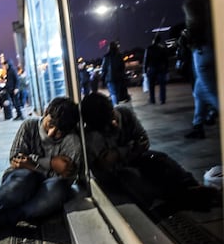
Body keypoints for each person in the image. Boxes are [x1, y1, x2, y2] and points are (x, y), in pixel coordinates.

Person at [0, 97, 82, 243]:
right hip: (22, 182)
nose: (51, 133)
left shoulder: (72, 142)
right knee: (24, 178)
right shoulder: (29, 126)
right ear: (45, 113)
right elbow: (16, 159)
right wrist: (50, 163)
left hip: (46, 190)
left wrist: (33, 164)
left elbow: (67, 179)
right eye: (50, 124)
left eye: (59, 131)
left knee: (58, 189)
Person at [81, 92, 221, 216]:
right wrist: (131, 148)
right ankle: (177, 199)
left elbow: (143, 141)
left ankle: (192, 186)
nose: (114, 124)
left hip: (134, 159)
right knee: (132, 178)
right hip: (114, 173)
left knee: (159, 159)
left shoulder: (124, 114)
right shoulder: (92, 135)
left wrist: (122, 152)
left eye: (113, 117)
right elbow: (107, 162)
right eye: (107, 124)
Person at [183, 0, 218, 139]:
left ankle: (211, 114)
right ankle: (198, 126)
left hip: (202, 49)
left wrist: (186, 37)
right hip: (213, 47)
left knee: (211, 93)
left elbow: (194, 23)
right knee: (199, 91)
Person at [143, 34, 169, 104]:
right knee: (162, 85)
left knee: (151, 86)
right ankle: (162, 99)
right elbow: (166, 60)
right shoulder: (162, 49)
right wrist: (166, 69)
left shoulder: (149, 48)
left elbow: (146, 60)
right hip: (161, 68)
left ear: (153, 40)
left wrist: (144, 70)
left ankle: (152, 99)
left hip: (151, 68)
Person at [101, 41, 126, 106]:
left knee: (113, 93)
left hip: (110, 78)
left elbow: (104, 69)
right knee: (117, 92)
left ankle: (115, 106)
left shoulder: (106, 57)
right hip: (118, 77)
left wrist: (102, 78)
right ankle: (116, 104)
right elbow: (123, 67)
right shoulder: (119, 55)